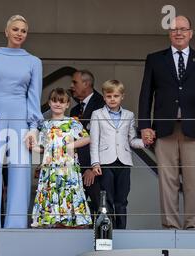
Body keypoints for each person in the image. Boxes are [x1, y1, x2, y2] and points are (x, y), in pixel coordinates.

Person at [138, 15, 195, 230]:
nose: (179, 32)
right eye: (175, 29)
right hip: (164, 128)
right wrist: (144, 126)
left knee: (194, 181)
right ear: (169, 33)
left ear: (191, 33)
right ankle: (170, 227)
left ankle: (193, 227)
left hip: (193, 129)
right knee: (167, 181)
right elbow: (145, 94)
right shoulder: (155, 59)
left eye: (183, 29)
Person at [0, 14, 43, 229]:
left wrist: (33, 128)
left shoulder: (34, 61)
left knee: (21, 173)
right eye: (15, 29)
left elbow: (34, 96)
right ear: (6, 31)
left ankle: (16, 227)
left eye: (23, 30)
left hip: (22, 119)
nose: (19, 33)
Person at [31, 88, 92, 228]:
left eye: (61, 101)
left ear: (67, 104)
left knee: (68, 191)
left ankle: (70, 222)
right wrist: (33, 146)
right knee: (50, 191)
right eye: (54, 101)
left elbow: (88, 138)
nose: (58, 104)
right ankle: (53, 221)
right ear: (49, 103)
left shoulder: (72, 122)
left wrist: (72, 145)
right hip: (50, 169)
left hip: (68, 168)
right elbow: (42, 147)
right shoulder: (45, 125)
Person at [90, 80, 147, 229]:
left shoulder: (129, 115)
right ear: (104, 97)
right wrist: (95, 163)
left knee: (122, 200)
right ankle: (109, 231)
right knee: (107, 199)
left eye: (116, 95)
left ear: (122, 96)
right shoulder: (97, 114)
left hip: (124, 161)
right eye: (109, 96)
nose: (112, 99)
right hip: (105, 162)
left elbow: (132, 140)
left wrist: (145, 142)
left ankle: (122, 230)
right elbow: (94, 140)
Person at [69, 70, 105, 217]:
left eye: (75, 82)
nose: (71, 86)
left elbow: (105, 139)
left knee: (102, 208)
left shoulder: (102, 104)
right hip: (77, 170)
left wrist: (93, 167)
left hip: (96, 171)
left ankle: (109, 239)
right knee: (75, 210)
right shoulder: (74, 109)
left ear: (87, 83)